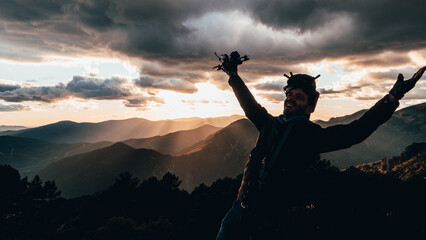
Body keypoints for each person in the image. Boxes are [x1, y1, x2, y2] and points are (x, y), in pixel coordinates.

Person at [215, 51, 426, 240]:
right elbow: (248, 103)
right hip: (237, 212)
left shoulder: (311, 136)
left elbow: (357, 131)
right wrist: (233, 76)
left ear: (310, 105)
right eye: (289, 95)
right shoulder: (268, 124)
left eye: (298, 97)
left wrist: (392, 97)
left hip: (267, 225)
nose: (290, 99)